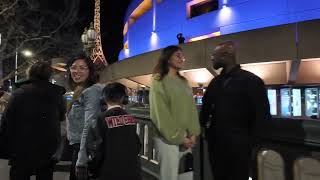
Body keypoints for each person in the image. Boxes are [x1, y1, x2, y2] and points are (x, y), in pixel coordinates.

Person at [200, 41, 271, 180]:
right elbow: (205, 109)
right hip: (216, 146)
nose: (212, 58)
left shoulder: (251, 81)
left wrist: (251, 144)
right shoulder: (215, 82)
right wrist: (208, 133)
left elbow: (262, 115)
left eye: (214, 55)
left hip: (240, 147)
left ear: (226, 55)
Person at [0, 61, 66, 180]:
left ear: (30, 73)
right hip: (48, 147)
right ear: (49, 75)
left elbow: (7, 120)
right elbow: (61, 116)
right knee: (45, 175)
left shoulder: (19, 93)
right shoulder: (57, 94)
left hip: (21, 147)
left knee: (19, 175)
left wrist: (5, 145)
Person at [149, 45, 201, 180]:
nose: (182, 58)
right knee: (169, 176)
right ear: (167, 58)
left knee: (187, 176)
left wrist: (194, 133)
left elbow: (191, 109)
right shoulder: (158, 81)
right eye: (178, 55)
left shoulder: (184, 82)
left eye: (182, 56)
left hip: (186, 140)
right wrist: (180, 137)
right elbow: (160, 114)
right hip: (166, 140)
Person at [85, 82, 141, 180]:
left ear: (104, 98)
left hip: (108, 172)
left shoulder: (100, 119)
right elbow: (137, 145)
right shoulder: (130, 118)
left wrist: (92, 169)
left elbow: (95, 148)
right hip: (132, 171)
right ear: (123, 99)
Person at [66, 55, 103, 180]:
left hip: (85, 149)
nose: (77, 71)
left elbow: (89, 123)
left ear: (90, 71)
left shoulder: (92, 91)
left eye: (82, 68)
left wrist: (81, 159)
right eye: (73, 68)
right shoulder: (80, 89)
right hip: (79, 146)